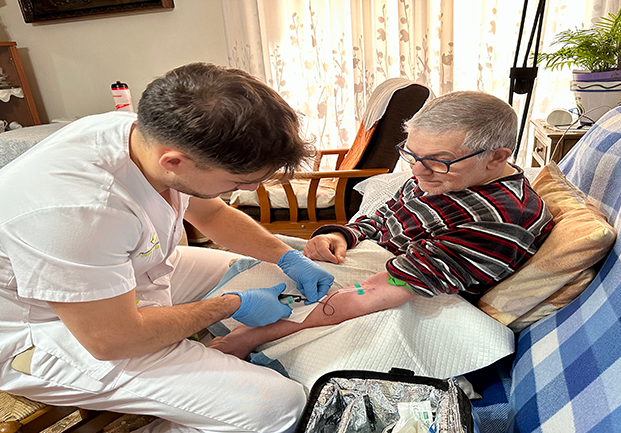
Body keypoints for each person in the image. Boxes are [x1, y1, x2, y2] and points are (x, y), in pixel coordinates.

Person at [0, 63, 335, 433]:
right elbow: (113, 340)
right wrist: (230, 304)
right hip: (40, 332)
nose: (249, 191)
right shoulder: (77, 210)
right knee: (279, 406)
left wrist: (287, 257)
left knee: (258, 270)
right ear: (175, 162)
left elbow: (211, 216)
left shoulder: (143, 136)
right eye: (238, 182)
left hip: (112, 276)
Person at [209, 91, 555, 360]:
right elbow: (386, 214)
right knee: (265, 260)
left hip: (414, 296)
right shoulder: (441, 178)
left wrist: (254, 335)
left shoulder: (496, 220)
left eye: (438, 162)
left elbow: (380, 291)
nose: (418, 173)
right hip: (386, 268)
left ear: (498, 156)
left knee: (263, 324)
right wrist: (342, 233)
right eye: (413, 156)